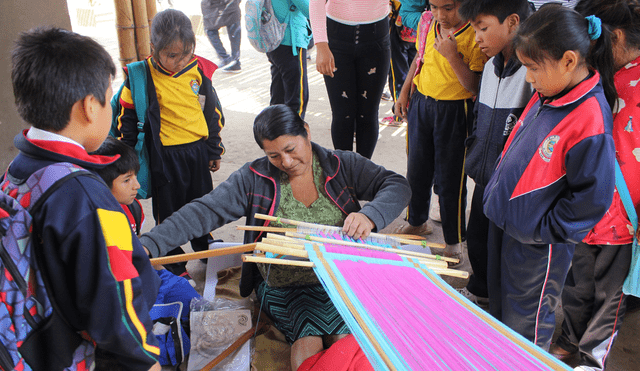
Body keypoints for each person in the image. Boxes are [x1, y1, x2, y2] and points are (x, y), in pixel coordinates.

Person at [139, 104, 411, 370]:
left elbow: (396, 185)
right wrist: (149, 245)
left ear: (306, 132)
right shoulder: (253, 178)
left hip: (339, 279)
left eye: (291, 150)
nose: (287, 162)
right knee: (307, 339)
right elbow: (204, 211)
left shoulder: (341, 165)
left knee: (344, 340)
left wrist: (370, 215)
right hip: (282, 283)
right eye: (274, 156)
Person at [7, 27, 161, 370]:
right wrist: (145, 358)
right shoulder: (87, 197)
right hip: (82, 355)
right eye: (109, 96)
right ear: (90, 107)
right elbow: (115, 303)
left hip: (37, 341)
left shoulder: (20, 169)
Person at [482, 4, 617, 350]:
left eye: (532, 68)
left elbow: (591, 200)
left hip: (537, 248)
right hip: (508, 228)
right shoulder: (550, 91)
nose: (527, 77)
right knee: (500, 317)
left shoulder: (589, 117)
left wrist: (543, 231)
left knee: (525, 327)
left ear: (569, 61)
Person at [548, 1, 640, 369]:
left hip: (620, 219)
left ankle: (588, 355)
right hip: (589, 213)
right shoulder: (597, 77)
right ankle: (570, 343)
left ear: (614, 37)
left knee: (607, 298)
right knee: (581, 287)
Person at [115, 9, 226, 276]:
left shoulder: (199, 71)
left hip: (197, 152)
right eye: (171, 55)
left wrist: (213, 149)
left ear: (194, 48)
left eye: (185, 54)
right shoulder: (141, 76)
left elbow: (212, 113)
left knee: (201, 201)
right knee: (170, 207)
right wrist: (128, 157)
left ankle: (203, 243)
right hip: (164, 156)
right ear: (154, 49)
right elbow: (127, 116)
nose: (179, 61)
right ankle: (173, 256)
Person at [91, 137, 201, 369]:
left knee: (193, 301)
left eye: (135, 176)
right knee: (160, 332)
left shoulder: (133, 207)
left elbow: (142, 255)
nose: (137, 186)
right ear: (99, 185)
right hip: (126, 289)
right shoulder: (97, 222)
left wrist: (166, 276)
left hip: (147, 274)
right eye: (127, 180)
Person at [394, 0, 487, 260]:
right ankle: (417, 220)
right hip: (421, 103)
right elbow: (419, 58)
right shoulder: (427, 22)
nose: (440, 15)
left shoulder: (474, 33)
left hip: (455, 110)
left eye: (448, 7)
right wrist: (404, 93)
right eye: (434, 6)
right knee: (417, 168)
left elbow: (474, 86)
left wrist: (452, 56)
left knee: (450, 179)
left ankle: (453, 238)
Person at [455, 0, 534, 306]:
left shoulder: (532, 73)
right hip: (484, 173)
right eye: (475, 29)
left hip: (512, 182)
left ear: (512, 22)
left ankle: (502, 307)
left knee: (503, 246)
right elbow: (480, 116)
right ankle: (479, 291)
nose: (477, 38)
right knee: (477, 237)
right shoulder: (490, 67)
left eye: (483, 28)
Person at [310, 0, 392, 159]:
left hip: (377, 38)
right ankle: (343, 173)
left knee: (368, 114)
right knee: (342, 114)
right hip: (336, 38)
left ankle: (363, 173)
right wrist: (321, 45)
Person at [267, 0, 312, 119]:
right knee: (296, 98)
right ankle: (293, 134)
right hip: (291, 41)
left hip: (273, 39)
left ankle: (275, 132)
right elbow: (310, 11)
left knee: (278, 94)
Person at [201, 0, 242, 72]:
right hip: (231, 5)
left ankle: (226, 59)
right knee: (235, 32)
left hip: (212, 7)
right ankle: (235, 62)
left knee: (210, 31)